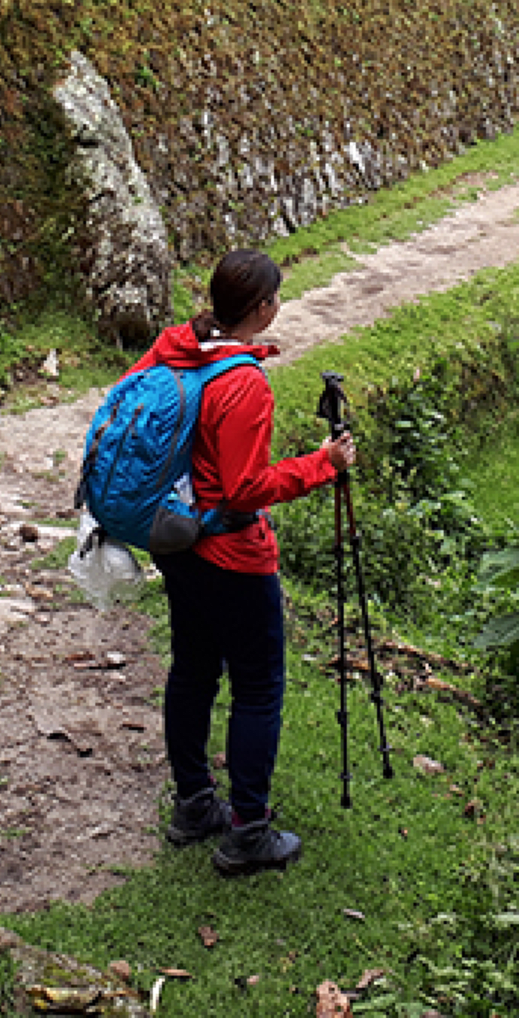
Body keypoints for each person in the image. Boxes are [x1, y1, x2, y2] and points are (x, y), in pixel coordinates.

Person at [126, 248, 356, 876]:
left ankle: (195, 803)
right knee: (258, 686)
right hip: (231, 551)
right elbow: (243, 488)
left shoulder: (179, 351)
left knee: (193, 670)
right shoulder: (244, 386)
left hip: (179, 541)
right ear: (261, 308)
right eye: (275, 296)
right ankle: (248, 831)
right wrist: (322, 465)